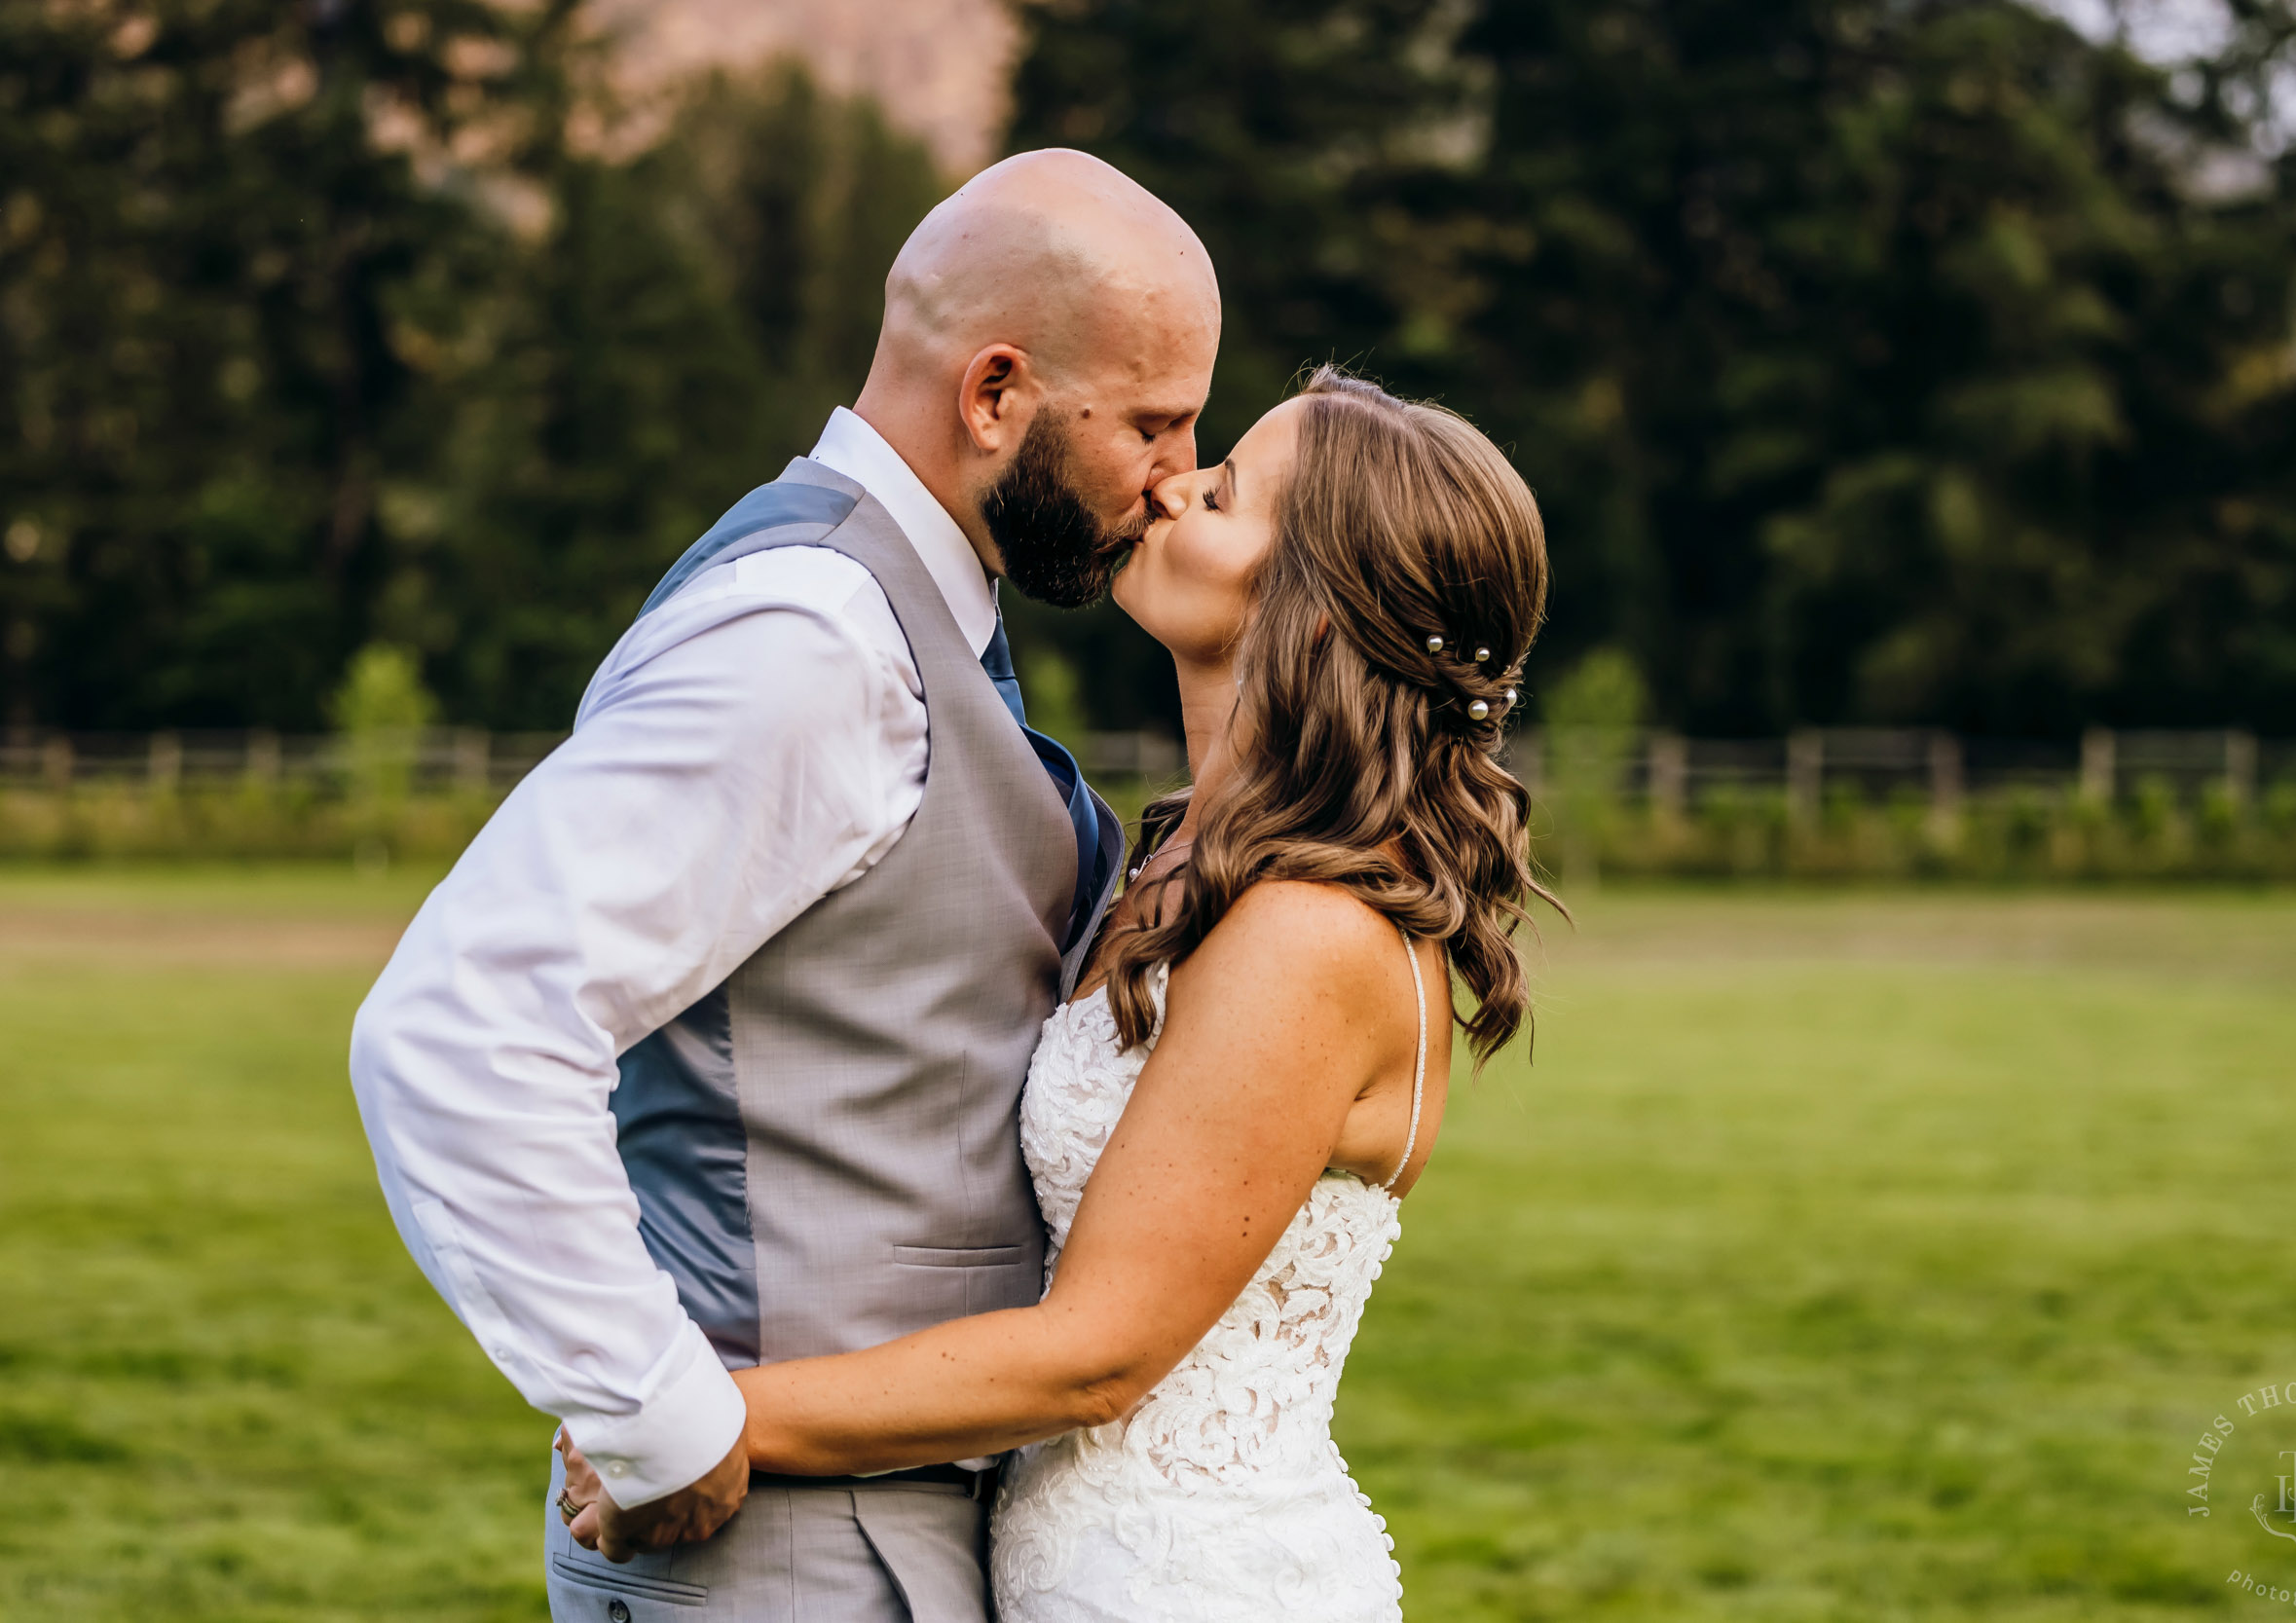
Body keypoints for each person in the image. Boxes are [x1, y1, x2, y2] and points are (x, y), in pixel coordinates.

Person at [350, 148, 1218, 1621]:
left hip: (864, 1540)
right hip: (789, 1549)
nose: (1177, 477)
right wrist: (658, 1415)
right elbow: (462, 1022)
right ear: (995, 392)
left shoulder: (893, 610)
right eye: (1152, 421)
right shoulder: (813, 640)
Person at [564, 366, 1554, 1621]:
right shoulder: (1174, 860)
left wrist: (700, 1423)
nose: (1174, 482)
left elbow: (1099, 1354)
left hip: (1184, 1586)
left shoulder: (1310, 929)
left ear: (1310, 615)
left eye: (1227, 488)